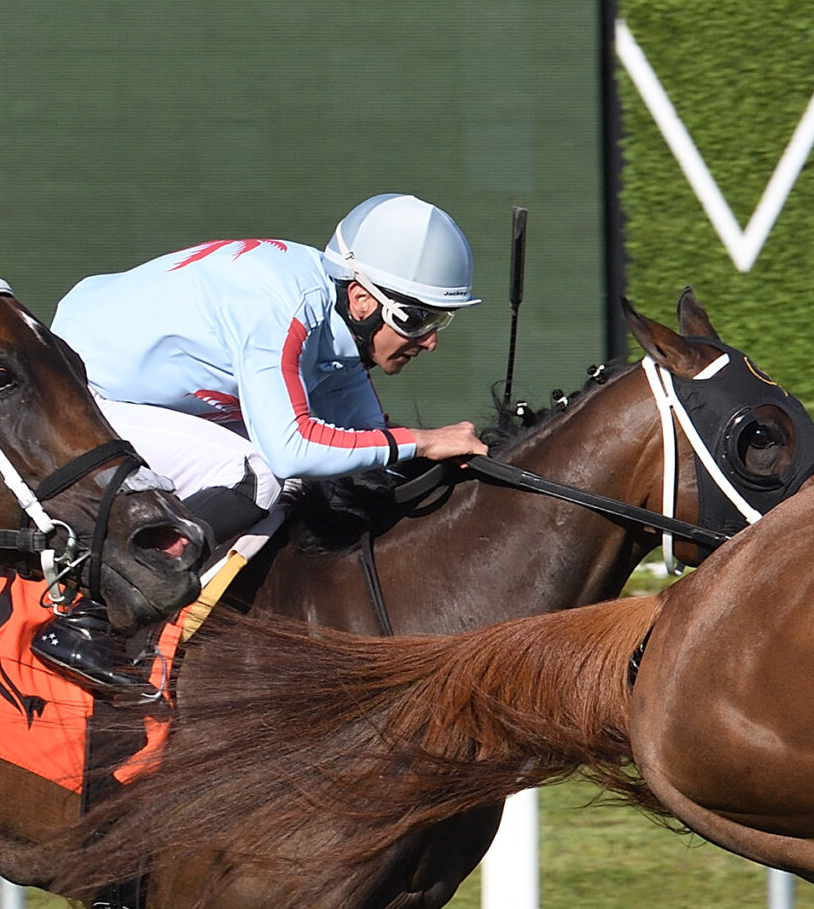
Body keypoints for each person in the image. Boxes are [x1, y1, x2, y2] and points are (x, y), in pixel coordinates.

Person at [35, 194, 494, 700]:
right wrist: (425, 440)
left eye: (440, 321)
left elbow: (368, 450)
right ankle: (88, 621)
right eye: (418, 318)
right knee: (257, 474)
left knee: (319, 475)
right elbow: (293, 450)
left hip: (121, 387)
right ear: (363, 300)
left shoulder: (333, 324)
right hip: (80, 396)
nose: (429, 340)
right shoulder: (284, 309)